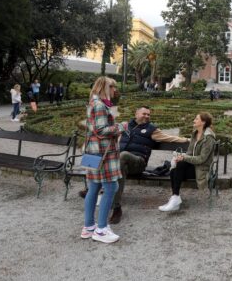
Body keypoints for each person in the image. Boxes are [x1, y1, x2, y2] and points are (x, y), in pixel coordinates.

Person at [107, 106, 189, 223]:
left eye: (148, 114)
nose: (147, 116)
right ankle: (115, 207)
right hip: (121, 164)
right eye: (144, 114)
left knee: (123, 156)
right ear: (136, 114)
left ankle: (102, 192)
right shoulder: (125, 126)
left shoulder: (152, 129)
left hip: (138, 163)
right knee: (115, 162)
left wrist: (186, 140)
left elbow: (169, 138)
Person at [81, 76, 127, 244]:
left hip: (94, 153)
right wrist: (121, 127)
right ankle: (101, 229)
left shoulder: (93, 103)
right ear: (106, 87)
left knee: (93, 188)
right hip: (104, 154)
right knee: (111, 187)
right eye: (113, 87)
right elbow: (101, 130)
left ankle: (89, 227)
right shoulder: (100, 105)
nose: (115, 90)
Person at [159, 112, 216, 212]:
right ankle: (175, 198)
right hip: (193, 166)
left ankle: (175, 199)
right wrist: (180, 157)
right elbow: (189, 152)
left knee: (177, 167)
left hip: (202, 169)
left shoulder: (208, 138)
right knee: (174, 170)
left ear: (203, 122)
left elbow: (202, 159)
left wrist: (184, 158)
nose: (194, 120)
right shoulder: (195, 133)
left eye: (196, 119)